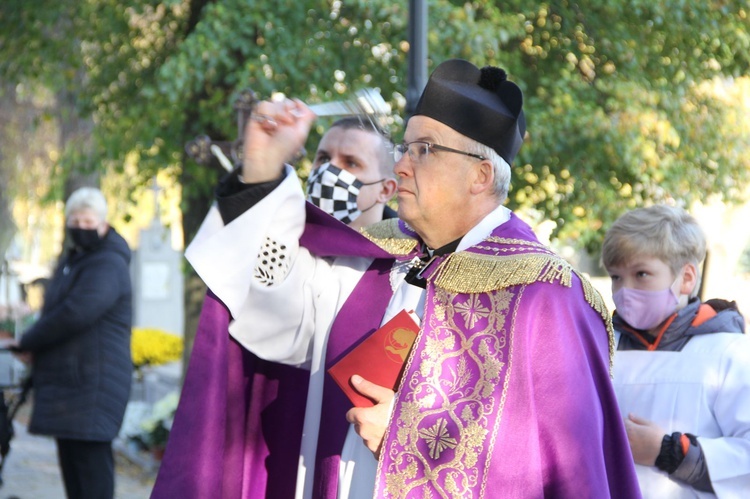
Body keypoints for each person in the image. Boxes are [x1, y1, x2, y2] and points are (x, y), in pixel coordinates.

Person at [158, 59, 640, 498]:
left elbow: (558, 472)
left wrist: (406, 444)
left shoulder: (544, 295)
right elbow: (272, 314)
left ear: (479, 176)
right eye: (405, 147)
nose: (402, 164)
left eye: (424, 149)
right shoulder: (377, 258)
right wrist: (260, 170)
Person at [152, 117, 398, 498]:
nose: (330, 171)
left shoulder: (404, 273)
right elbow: (263, 307)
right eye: (322, 158)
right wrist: (261, 168)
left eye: (351, 163)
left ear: (386, 189)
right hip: (286, 449)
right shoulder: (295, 248)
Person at [601, 204, 750, 497]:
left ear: (686, 278)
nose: (624, 290)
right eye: (616, 277)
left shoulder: (729, 353)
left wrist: (669, 452)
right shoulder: (602, 347)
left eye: (641, 274)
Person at [12, 186, 133, 499]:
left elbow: (75, 313)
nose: (81, 228)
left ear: (103, 224)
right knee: (76, 479)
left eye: (88, 222)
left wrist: (30, 341)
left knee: (91, 479)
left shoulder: (108, 264)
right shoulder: (75, 262)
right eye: (75, 221)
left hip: (92, 384)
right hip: (72, 384)